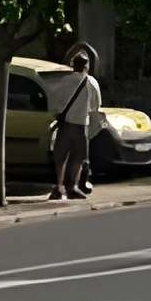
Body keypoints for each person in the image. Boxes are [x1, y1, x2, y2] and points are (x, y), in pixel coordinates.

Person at [49, 44, 101, 200]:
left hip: (65, 124)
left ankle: (58, 187)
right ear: (86, 66)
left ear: (73, 65)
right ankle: (73, 187)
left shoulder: (63, 81)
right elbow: (95, 106)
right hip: (81, 125)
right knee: (78, 158)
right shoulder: (91, 83)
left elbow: (54, 103)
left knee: (61, 157)